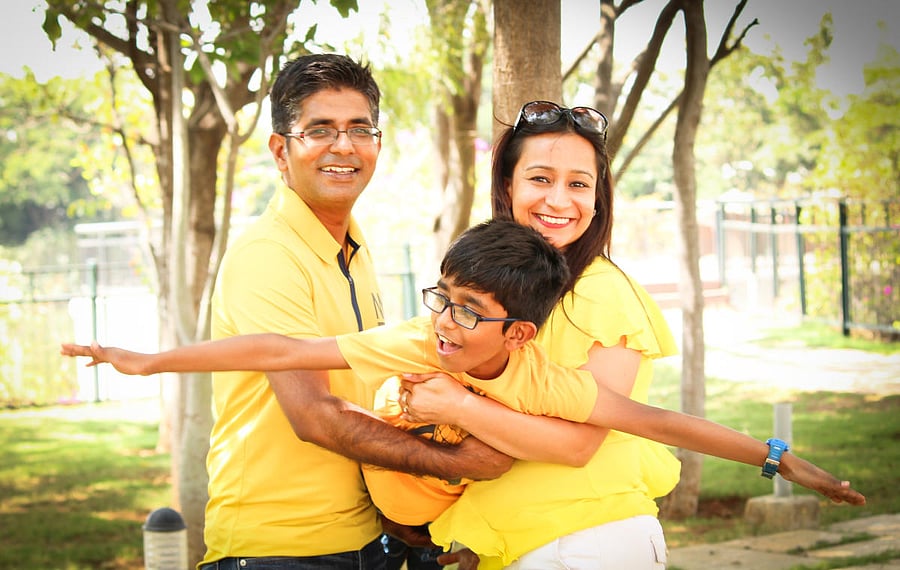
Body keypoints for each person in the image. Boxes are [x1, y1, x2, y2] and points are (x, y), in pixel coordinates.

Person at [62, 221, 865, 557]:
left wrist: (777, 458)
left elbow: (661, 420)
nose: (445, 322)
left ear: (518, 332)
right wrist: (151, 361)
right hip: (399, 530)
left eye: (469, 313)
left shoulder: (544, 380)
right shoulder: (417, 337)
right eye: (441, 296)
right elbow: (280, 345)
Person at [393, 100, 851, 568]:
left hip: (583, 545)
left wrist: (775, 457)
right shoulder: (486, 297)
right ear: (507, 185)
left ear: (598, 199)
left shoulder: (597, 294)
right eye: (540, 178)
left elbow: (584, 442)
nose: (558, 200)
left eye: (578, 184)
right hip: (528, 544)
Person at [167, 54, 511, 570]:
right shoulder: (269, 255)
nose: (344, 146)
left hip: (363, 540)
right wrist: (457, 464)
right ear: (281, 151)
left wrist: (412, 509)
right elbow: (315, 415)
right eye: (320, 130)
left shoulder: (354, 248)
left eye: (359, 129)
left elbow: (369, 391)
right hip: (279, 551)